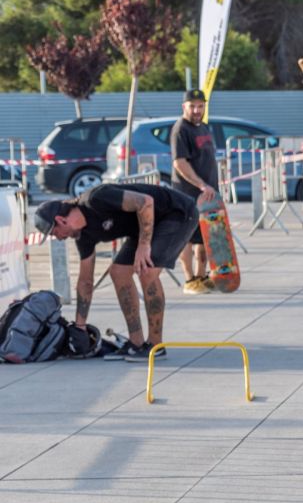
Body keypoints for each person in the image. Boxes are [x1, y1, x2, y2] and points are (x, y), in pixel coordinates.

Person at [32, 182, 200, 362]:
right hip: (142, 227)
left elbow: (146, 202)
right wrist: (80, 326)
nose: (58, 238)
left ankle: (155, 346)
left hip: (177, 213)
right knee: (118, 272)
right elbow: (85, 281)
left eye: (54, 233)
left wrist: (143, 246)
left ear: (60, 220)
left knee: (147, 270)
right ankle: (136, 343)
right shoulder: (84, 236)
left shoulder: (96, 199)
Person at [170, 89, 219, 295]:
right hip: (188, 193)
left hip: (207, 194)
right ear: (184, 107)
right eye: (192, 106)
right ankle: (189, 279)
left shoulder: (203, 127)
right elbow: (180, 162)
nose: (197, 110)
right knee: (187, 238)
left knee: (204, 237)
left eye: (201, 106)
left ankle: (201, 276)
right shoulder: (181, 129)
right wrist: (201, 185)